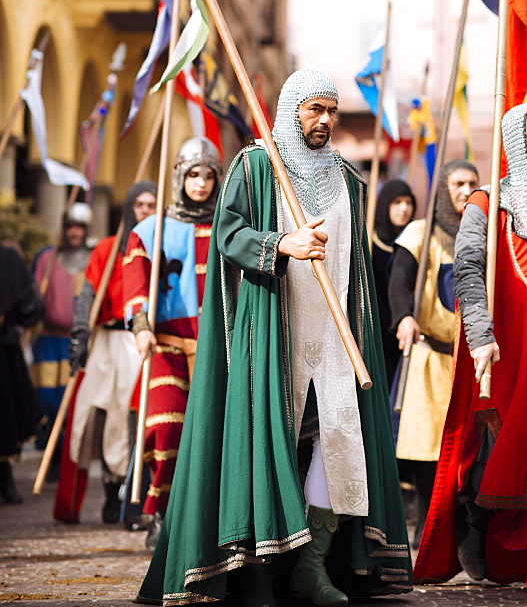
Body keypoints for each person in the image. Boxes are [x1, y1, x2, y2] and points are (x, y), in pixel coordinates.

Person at [136, 69, 412, 607]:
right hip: (274, 332)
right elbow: (228, 234)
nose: (326, 120)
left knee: (335, 448)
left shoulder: (351, 182)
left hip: (335, 337)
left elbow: (355, 266)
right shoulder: (257, 165)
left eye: (332, 110)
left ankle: (311, 569)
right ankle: (258, 574)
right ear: (292, 111)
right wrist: (281, 243)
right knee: (270, 445)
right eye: (315, 109)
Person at [414, 103, 527, 607]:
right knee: (490, 456)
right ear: (516, 141)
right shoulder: (486, 204)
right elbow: (469, 269)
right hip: (504, 350)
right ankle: (474, 524)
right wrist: (480, 332)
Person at [123, 138, 222, 549]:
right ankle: (160, 514)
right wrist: (142, 325)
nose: (200, 183)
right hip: (165, 344)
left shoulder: (227, 227)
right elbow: (136, 285)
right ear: (180, 176)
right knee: (165, 428)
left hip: (216, 346)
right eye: (193, 174)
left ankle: (203, 518)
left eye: (209, 175)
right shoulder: (149, 231)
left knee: (212, 434)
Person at [53, 181, 157, 525]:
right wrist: (80, 331)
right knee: (88, 413)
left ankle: (124, 496)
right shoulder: (109, 248)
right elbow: (88, 293)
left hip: (138, 340)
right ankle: (102, 491)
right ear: (129, 208)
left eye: (151, 204)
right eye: (139, 204)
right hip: (106, 340)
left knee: (127, 418)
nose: (145, 210)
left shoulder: (161, 247)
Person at [389, 159, 479, 548]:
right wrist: (404, 317)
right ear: (444, 189)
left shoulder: (482, 236)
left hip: (470, 361)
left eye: (472, 183)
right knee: (427, 450)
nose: (465, 190)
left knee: (471, 450)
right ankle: (427, 528)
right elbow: (399, 281)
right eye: (458, 183)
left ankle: (466, 534)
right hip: (429, 356)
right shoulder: (421, 234)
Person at [31, 203, 93, 475]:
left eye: (79, 227)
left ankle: (64, 459)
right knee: (46, 400)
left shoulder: (92, 259)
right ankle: (50, 451)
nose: (75, 232)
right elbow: (32, 296)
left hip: (76, 342)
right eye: (70, 227)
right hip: (47, 340)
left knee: (71, 403)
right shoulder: (47, 258)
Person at [0, 242, 45, 504]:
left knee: (5, 414)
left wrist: (16, 326)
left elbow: (32, 305)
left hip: (3, 351)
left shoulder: (7, 258)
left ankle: (5, 477)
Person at [371, 179, 416, 387]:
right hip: (375, 328)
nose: (404, 209)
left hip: (406, 328)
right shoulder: (369, 244)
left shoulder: (416, 243)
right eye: (397, 203)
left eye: (408, 203)